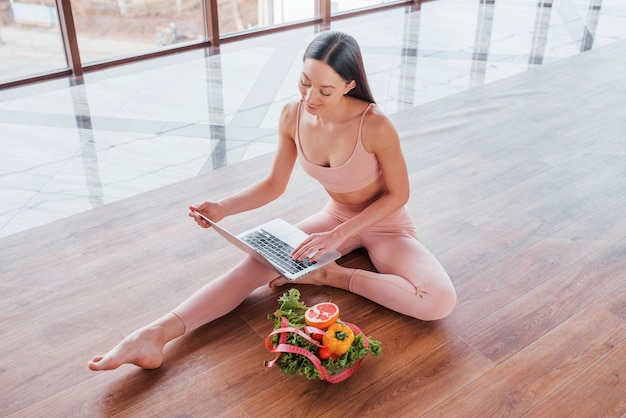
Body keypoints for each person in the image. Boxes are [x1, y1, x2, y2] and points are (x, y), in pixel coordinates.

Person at [88, 31, 457, 371]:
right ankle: (152, 335)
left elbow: (399, 195)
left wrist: (338, 240)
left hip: (385, 225)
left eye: (325, 91)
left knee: (437, 300)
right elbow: (273, 184)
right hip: (334, 218)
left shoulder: (375, 125)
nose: (311, 98)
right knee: (254, 262)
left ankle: (330, 275)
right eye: (305, 82)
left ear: (348, 84)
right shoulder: (292, 115)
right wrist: (222, 207)